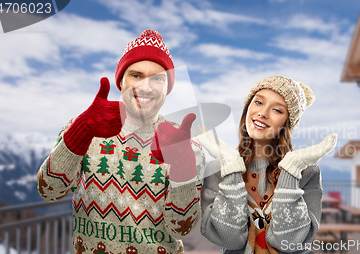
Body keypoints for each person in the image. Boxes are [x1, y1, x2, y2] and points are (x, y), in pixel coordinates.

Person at [36, 30, 204, 254]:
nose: (146, 87)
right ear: (121, 82)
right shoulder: (82, 127)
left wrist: (183, 169)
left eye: (158, 78)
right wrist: (82, 131)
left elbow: (180, 229)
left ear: (167, 88)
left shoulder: (186, 146)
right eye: (136, 75)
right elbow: (50, 191)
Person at [198, 75, 337, 253]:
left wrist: (291, 170)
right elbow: (229, 240)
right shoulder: (217, 170)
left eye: (277, 110)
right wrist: (231, 168)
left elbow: (290, 242)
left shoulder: (307, 172)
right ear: (247, 108)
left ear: (287, 124)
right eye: (258, 102)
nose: (262, 113)